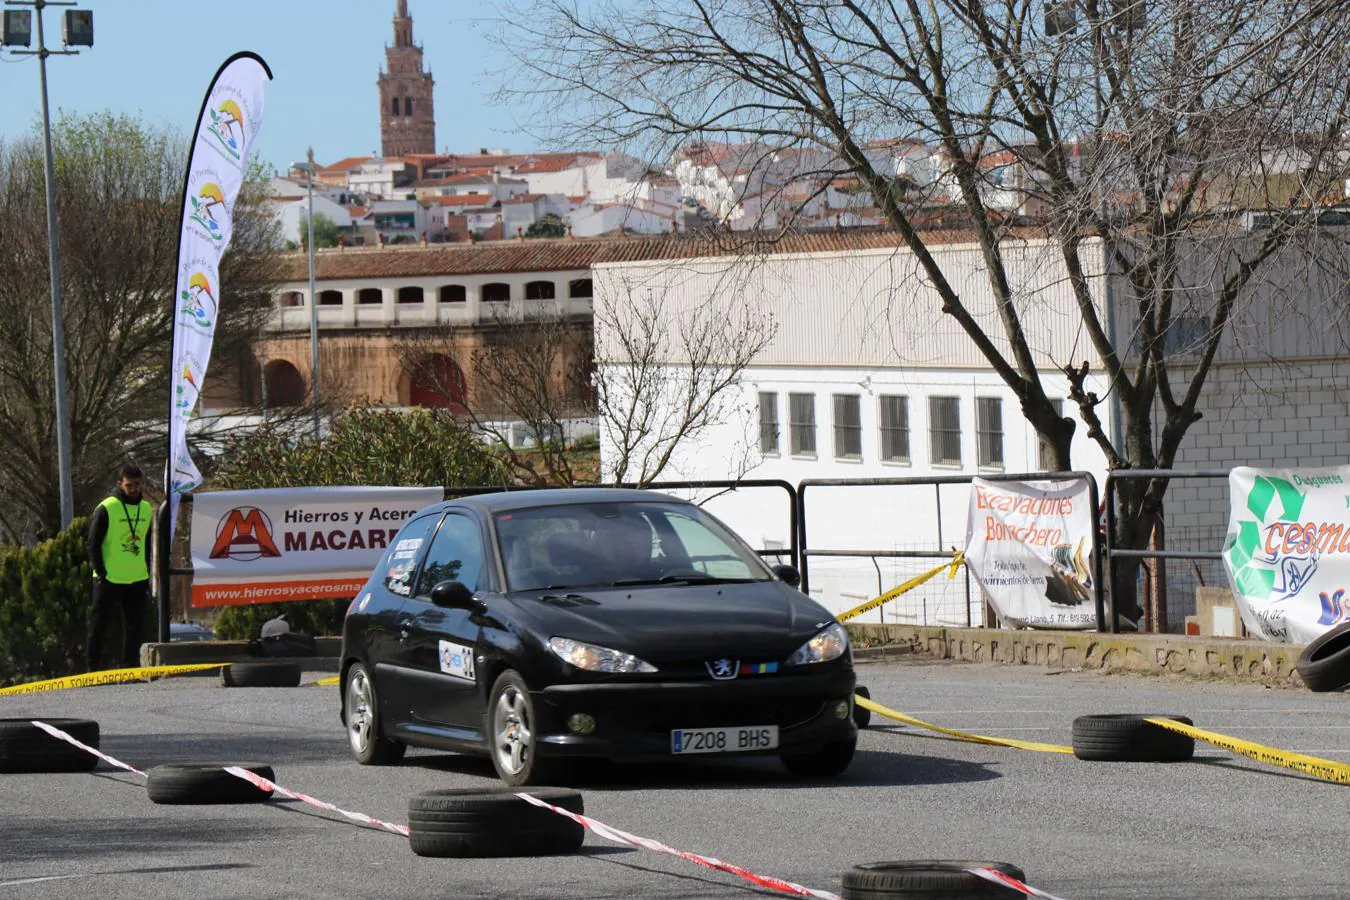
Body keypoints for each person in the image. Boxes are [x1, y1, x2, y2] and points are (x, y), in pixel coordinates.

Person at [85, 463, 153, 672]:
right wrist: (101, 572)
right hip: (110, 579)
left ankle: (130, 669)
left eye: (137, 484)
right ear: (119, 484)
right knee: (99, 626)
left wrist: (147, 572)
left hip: (136, 578)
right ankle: (92, 671)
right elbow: (93, 543)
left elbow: (146, 542)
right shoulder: (107, 507)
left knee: (134, 628)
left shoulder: (146, 508)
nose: (133, 489)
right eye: (129, 485)